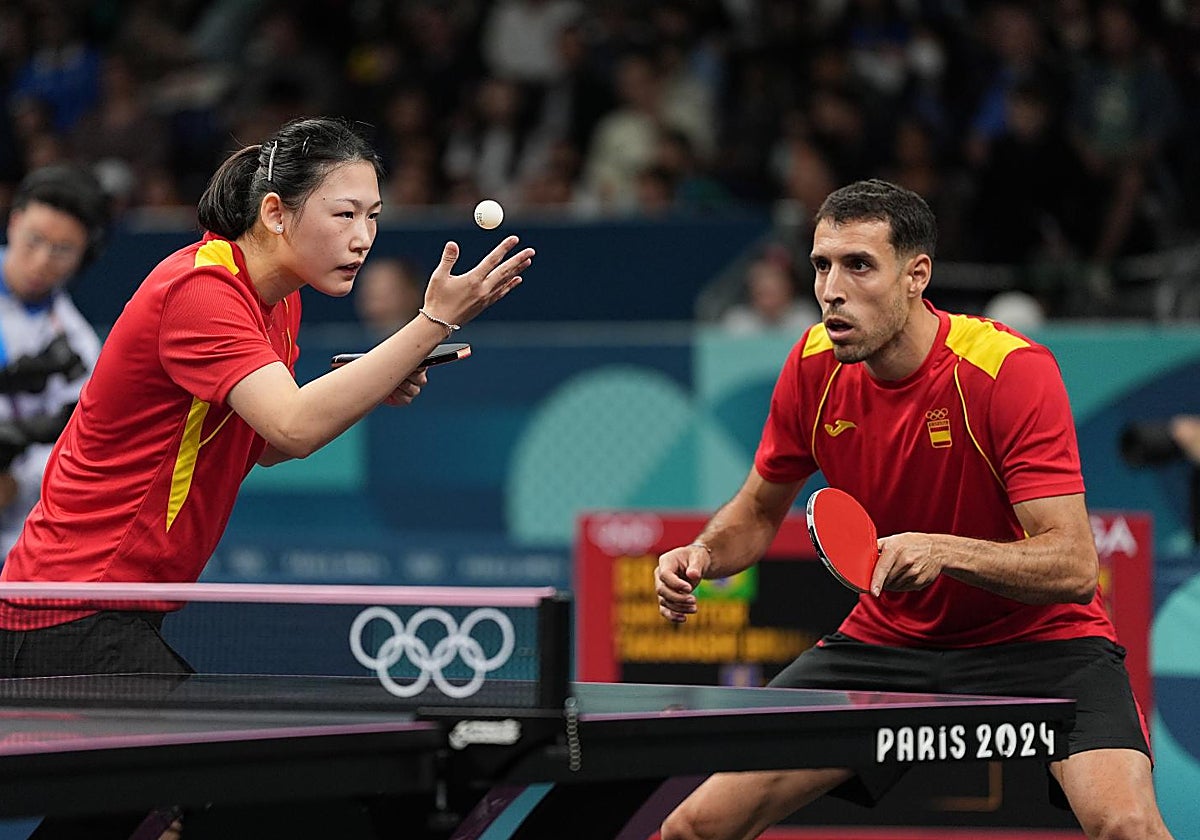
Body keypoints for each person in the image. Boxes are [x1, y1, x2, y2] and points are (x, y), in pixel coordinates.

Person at [654, 179, 1172, 840]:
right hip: (889, 643)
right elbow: (756, 513)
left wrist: (942, 549)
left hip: (1043, 642)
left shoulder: (1005, 370)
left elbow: (1072, 564)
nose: (831, 289)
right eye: (821, 265)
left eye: (858, 265)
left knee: (1127, 827)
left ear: (915, 275)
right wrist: (702, 552)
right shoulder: (812, 366)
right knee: (694, 827)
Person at [0, 116, 533, 672]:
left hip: (112, 607)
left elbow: (264, 444)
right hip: (69, 603)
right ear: (275, 213)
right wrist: (434, 321)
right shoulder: (200, 292)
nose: (363, 238)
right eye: (344, 214)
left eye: (373, 217)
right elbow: (293, 428)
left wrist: (374, 382)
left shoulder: (277, 301)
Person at [0, 164, 108, 560]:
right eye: (34, 240)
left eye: (62, 250)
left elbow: (74, 456)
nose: (43, 260)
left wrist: (17, 480)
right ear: (13, 223)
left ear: (83, 257)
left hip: (15, 546)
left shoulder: (77, 347)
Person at [353, 255, 425, 339]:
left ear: (412, 294)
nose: (376, 295)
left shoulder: (431, 341)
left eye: (387, 289)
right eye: (368, 287)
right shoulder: (346, 344)